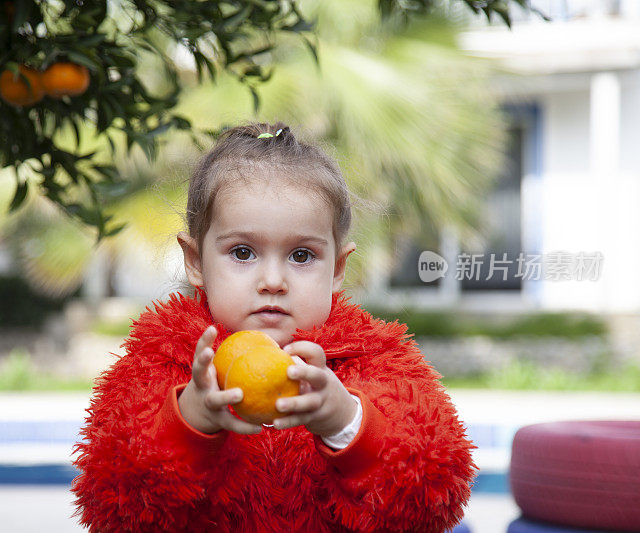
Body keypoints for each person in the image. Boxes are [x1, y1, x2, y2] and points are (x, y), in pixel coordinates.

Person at [72, 122, 476, 532]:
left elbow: (437, 490)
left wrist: (346, 421)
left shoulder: (372, 359)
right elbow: (113, 504)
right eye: (243, 252)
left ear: (337, 268)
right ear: (195, 261)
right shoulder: (166, 358)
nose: (273, 280)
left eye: (301, 256)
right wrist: (189, 420)